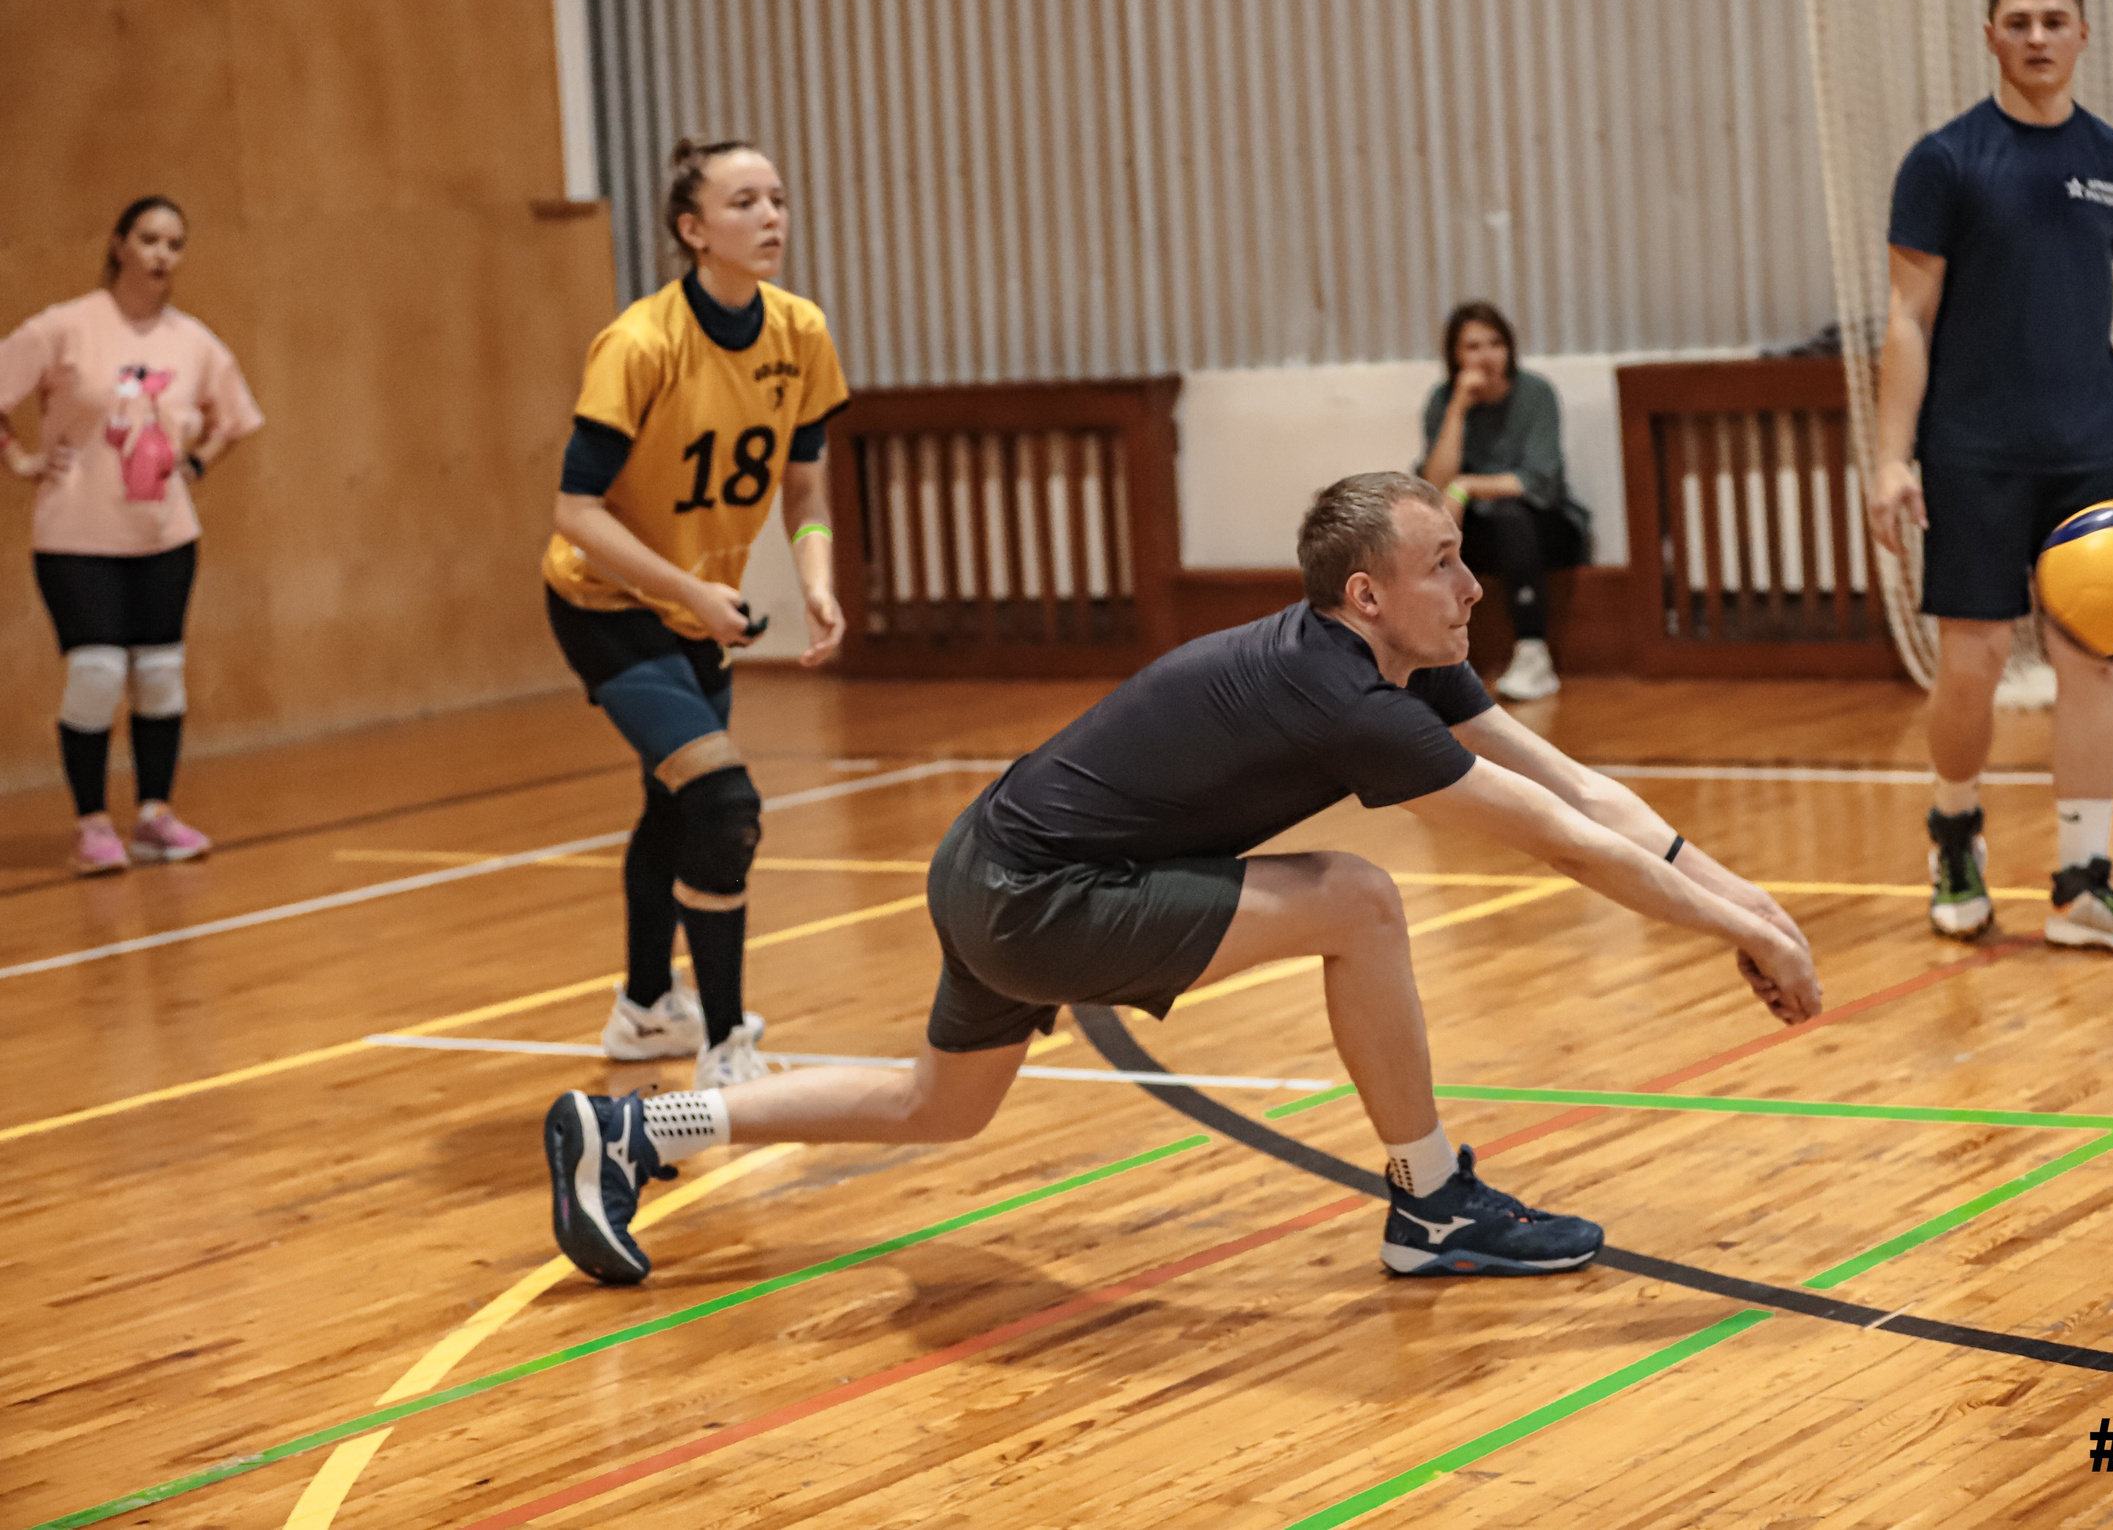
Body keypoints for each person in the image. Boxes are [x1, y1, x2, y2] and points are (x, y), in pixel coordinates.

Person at [542, 471, 1822, 1288]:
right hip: (1033, 894)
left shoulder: (1397, 661)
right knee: (1358, 898)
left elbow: (1585, 791)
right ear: (1368, 591)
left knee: (938, 1105)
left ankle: (633, 1128)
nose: (1475, 580)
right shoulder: (1351, 699)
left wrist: (1750, 908)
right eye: (1446, 562)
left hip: (986, 859)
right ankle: (1432, 1205)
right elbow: (1563, 843)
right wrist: (1738, 934)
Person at [1867, 0, 2113, 955]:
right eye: (2018, 21)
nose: (2036, 37)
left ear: (2082, 34)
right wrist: (1890, 456)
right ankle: (1954, 831)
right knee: (1974, 663)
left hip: (2088, 452)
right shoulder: (1943, 161)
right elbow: (1906, 316)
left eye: (2054, 20)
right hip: (1971, 450)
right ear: (1989, 35)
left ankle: (2082, 883)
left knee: (2092, 662)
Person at [542, 139, 850, 1089]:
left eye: (779, 199)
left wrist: (815, 581)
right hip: (607, 604)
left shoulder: (798, 332)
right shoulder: (642, 344)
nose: (771, 218)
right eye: (744, 202)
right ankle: (725, 1043)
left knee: (674, 809)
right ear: (692, 230)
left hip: (697, 613)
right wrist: (687, 591)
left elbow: (805, 491)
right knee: (723, 805)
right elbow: (574, 510)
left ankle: (643, 1010)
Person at [0, 197, 264, 874]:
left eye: (174, 244)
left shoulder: (193, 341)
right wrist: (21, 460)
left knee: (160, 676)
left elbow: (233, 418)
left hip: (165, 536)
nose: (161, 255)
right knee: (95, 672)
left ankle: (154, 815)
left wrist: (198, 461)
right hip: (76, 536)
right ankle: (92, 823)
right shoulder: (65, 328)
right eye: (148, 240)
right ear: (120, 245)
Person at [1417, 301, 1591, 703]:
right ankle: (1434, 653)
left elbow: (1538, 480)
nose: (1487, 355)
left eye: (1496, 343)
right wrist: (1459, 408)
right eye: (1473, 346)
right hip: (1477, 528)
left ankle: (1533, 653)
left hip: (1544, 523)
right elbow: (1434, 483)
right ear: (1455, 356)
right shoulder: (1443, 400)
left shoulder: (1535, 393)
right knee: (1422, 530)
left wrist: (1466, 486)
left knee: (1512, 518)